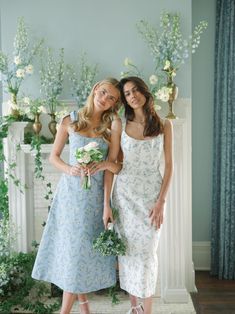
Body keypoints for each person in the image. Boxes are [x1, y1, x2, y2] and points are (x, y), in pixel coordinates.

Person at [32, 78, 122, 314]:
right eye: (103, 93)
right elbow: (54, 157)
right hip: (70, 197)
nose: (105, 99)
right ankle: (78, 308)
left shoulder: (112, 124)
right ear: (95, 90)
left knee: (79, 251)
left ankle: (76, 308)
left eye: (111, 98)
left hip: (93, 200)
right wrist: (69, 169)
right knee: (73, 251)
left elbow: (115, 167)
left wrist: (107, 204)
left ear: (115, 103)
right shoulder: (69, 120)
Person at [103, 76, 173, 314]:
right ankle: (135, 308)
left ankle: (148, 309)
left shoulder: (164, 125)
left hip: (152, 197)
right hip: (124, 196)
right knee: (129, 254)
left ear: (144, 92)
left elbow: (169, 167)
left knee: (148, 254)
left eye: (135, 91)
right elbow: (113, 164)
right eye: (127, 94)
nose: (133, 96)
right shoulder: (119, 125)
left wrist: (161, 202)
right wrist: (107, 205)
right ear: (124, 100)